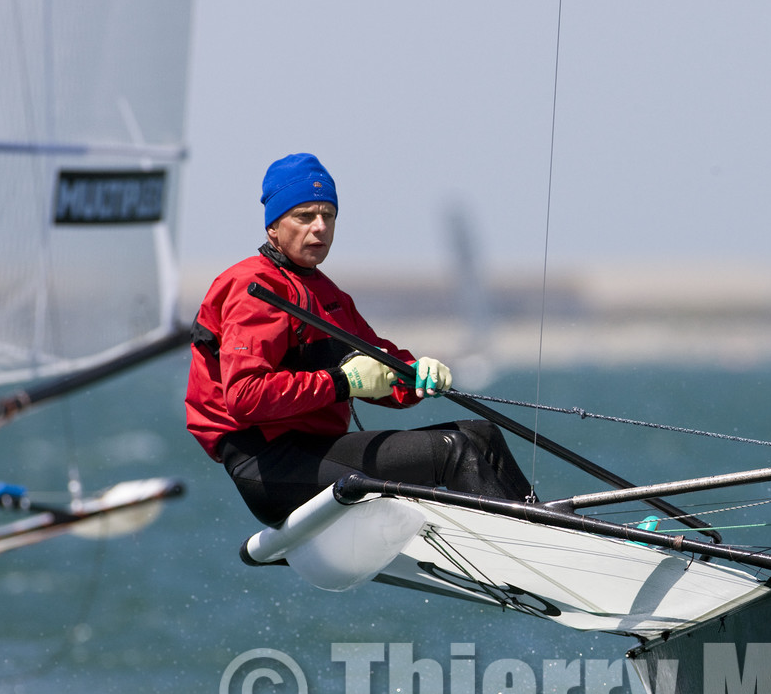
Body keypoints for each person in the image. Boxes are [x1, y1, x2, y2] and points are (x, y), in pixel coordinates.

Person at [186, 152, 532, 526]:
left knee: (479, 434)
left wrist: (414, 374)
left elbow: (381, 366)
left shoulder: (328, 295)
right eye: (304, 217)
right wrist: (344, 382)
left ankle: (542, 530)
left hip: (317, 452)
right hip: (270, 467)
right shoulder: (252, 287)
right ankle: (522, 554)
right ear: (273, 226)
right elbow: (244, 398)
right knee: (454, 450)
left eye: (328, 216)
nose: (319, 227)